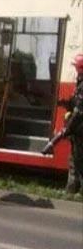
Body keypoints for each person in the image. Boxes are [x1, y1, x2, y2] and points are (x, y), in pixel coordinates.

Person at [42, 54, 83, 195]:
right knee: (74, 160)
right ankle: (71, 190)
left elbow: (79, 113)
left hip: (80, 130)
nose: (75, 70)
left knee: (78, 161)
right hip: (77, 130)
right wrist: (63, 102)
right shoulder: (80, 82)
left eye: (76, 67)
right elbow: (74, 102)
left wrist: (66, 130)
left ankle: (74, 191)